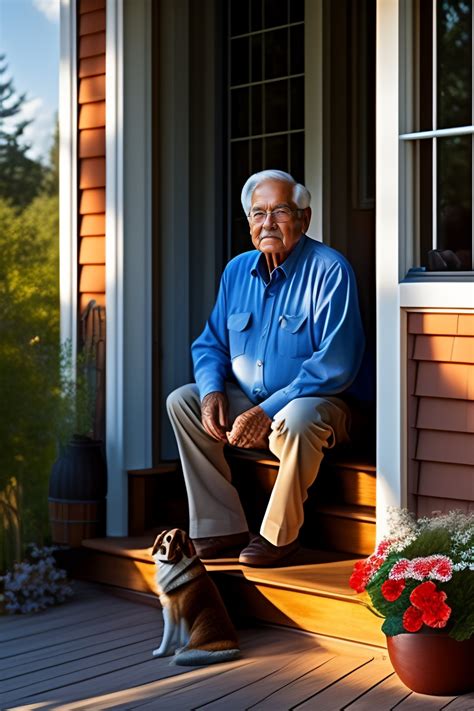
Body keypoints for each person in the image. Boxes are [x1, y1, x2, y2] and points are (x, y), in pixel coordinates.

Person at [167, 170, 365, 566]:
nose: (268, 223)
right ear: (249, 223)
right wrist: (212, 391)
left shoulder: (330, 271)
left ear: (304, 219)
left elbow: (335, 365)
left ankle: (278, 537)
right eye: (258, 214)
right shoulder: (237, 271)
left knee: (299, 415)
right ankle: (220, 525)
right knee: (183, 401)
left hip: (317, 409)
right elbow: (210, 343)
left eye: (280, 212)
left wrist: (267, 410)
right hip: (253, 407)